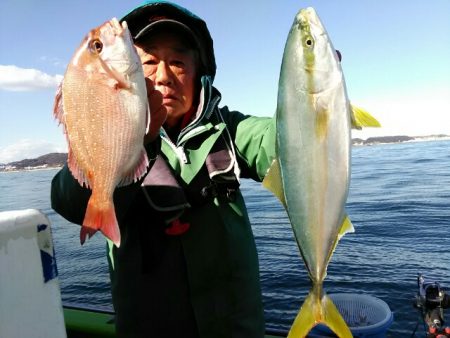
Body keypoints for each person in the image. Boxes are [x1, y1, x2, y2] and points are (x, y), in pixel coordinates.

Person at [51, 1, 277, 337]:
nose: (164, 76)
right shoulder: (114, 136)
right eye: (150, 62)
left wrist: (312, 98)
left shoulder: (227, 128)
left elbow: (277, 141)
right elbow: (67, 200)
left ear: (199, 72)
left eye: (178, 63)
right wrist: (140, 140)